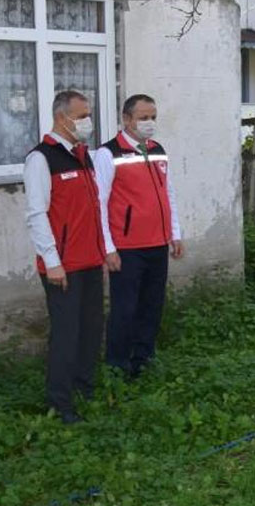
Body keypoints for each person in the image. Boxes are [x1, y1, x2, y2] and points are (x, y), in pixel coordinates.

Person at [24, 90, 106, 424]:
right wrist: (52, 261)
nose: (88, 121)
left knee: (90, 329)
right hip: (63, 267)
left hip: (90, 260)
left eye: (88, 114)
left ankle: (84, 388)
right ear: (62, 118)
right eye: (82, 114)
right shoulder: (41, 158)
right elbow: (36, 214)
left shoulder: (83, 155)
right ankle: (60, 404)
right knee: (66, 333)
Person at [94, 94, 183, 380]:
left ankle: (143, 359)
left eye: (153, 117)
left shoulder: (157, 149)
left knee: (152, 305)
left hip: (157, 243)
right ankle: (118, 365)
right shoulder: (109, 154)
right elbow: (100, 202)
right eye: (143, 118)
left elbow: (167, 193)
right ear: (127, 119)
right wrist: (108, 248)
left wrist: (175, 233)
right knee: (125, 309)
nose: (149, 123)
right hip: (127, 248)